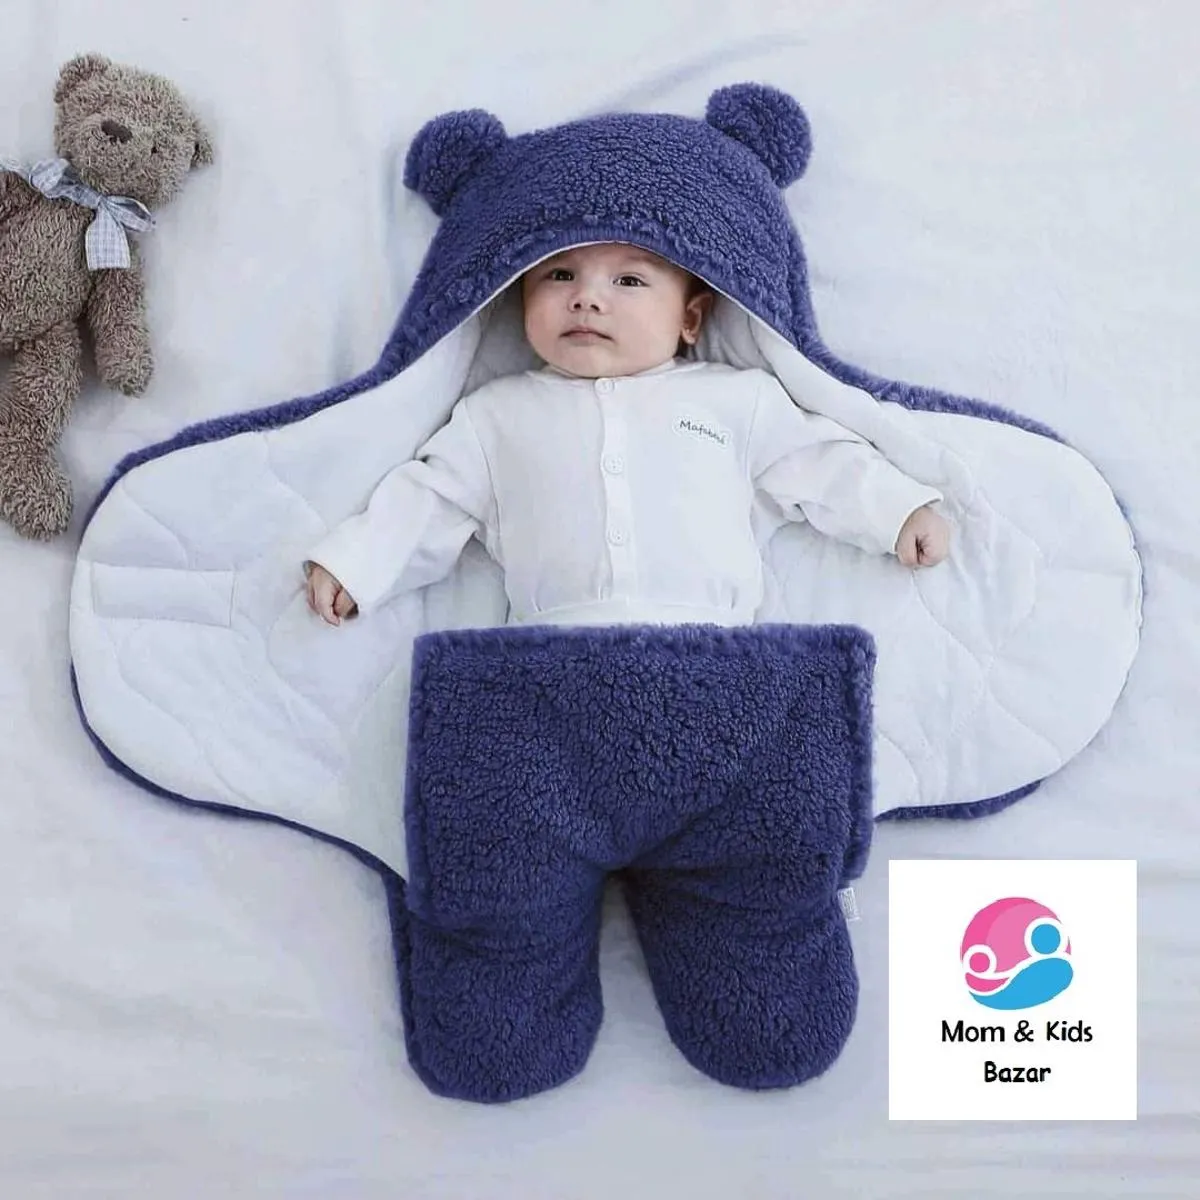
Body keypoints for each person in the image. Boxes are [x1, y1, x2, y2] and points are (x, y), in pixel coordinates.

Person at [303, 241, 949, 627]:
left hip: (713, 645)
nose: (586, 298)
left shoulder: (736, 399)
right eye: (559, 275)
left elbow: (821, 463)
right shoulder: (493, 415)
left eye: (629, 281)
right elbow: (429, 500)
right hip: (548, 654)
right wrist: (360, 565)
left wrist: (896, 510)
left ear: (690, 319)